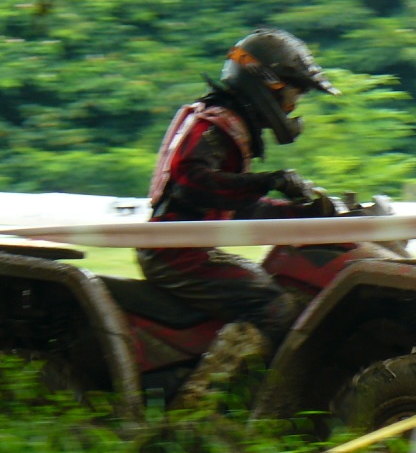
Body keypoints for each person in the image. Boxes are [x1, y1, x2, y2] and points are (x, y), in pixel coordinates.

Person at [137, 28, 340, 408]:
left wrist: (303, 212)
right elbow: (192, 185)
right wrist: (270, 181)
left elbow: (235, 205)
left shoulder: (229, 126)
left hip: (187, 248)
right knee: (274, 307)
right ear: (268, 84)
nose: (293, 108)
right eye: (293, 96)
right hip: (176, 252)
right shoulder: (214, 125)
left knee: (275, 285)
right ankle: (202, 407)